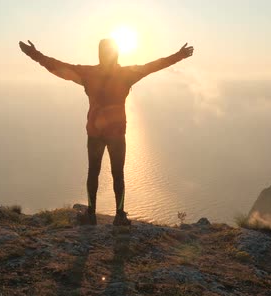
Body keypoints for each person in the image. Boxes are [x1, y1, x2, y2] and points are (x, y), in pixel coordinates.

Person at [19, 37, 194, 226]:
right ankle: (119, 216)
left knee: (93, 172)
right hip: (117, 134)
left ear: (100, 54)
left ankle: (91, 214)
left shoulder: (88, 73)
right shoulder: (127, 74)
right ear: (117, 53)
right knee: (118, 174)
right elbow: (153, 66)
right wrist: (179, 56)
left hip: (95, 133)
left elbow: (57, 67)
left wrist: (33, 54)